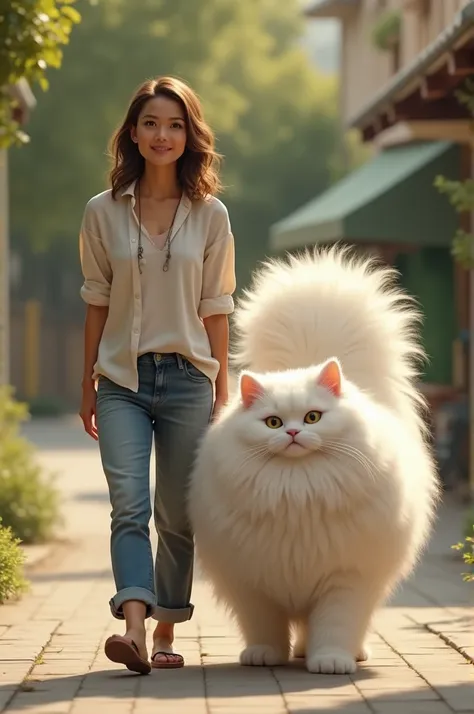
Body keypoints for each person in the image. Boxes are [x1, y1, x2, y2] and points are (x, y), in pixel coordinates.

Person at [78, 76, 236, 674]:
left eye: (174, 124)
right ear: (133, 134)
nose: (162, 135)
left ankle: (168, 629)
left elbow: (217, 306)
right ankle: (136, 630)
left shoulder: (211, 215)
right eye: (150, 123)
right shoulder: (101, 211)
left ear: (189, 134)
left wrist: (222, 388)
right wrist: (85, 384)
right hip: (120, 379)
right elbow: (95, 299)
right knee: (128, 506)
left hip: (189, 379)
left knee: (177, 513)